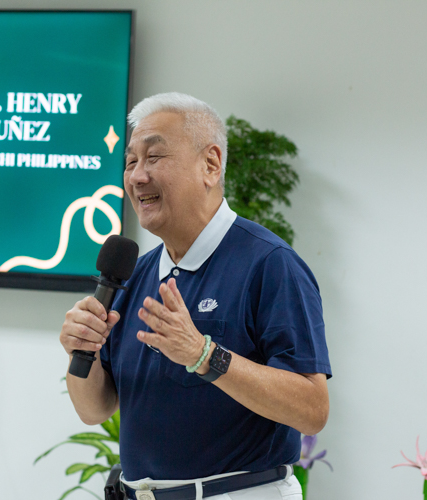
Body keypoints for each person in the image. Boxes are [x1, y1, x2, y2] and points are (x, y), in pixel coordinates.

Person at [60, 93, 331, 500]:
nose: (136, 176)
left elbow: (312, 410)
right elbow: (94, 409)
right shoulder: (132, 276)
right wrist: (83, 352)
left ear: (210, 164)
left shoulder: (270, 264)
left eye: (153, 157)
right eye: (130, 162)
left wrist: (205, 356)